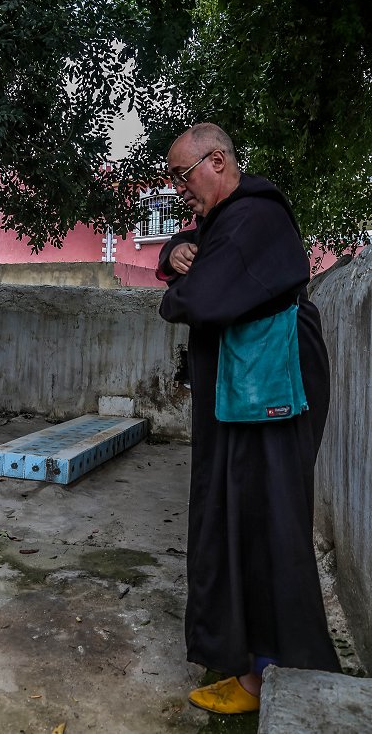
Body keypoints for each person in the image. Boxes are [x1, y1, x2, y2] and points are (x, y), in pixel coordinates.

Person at [157, 122, 340, 714]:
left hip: (271, 386)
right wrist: (169, 252)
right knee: (235, 513)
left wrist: (176, 286)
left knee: (269, 518)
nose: (178, 189)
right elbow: (193, 256)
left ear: (217, 161)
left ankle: (285, 675)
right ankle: (249, 662)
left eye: (183, 176)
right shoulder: (225, 219)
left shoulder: (256, 216)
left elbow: (200, 298)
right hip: (244, 388)